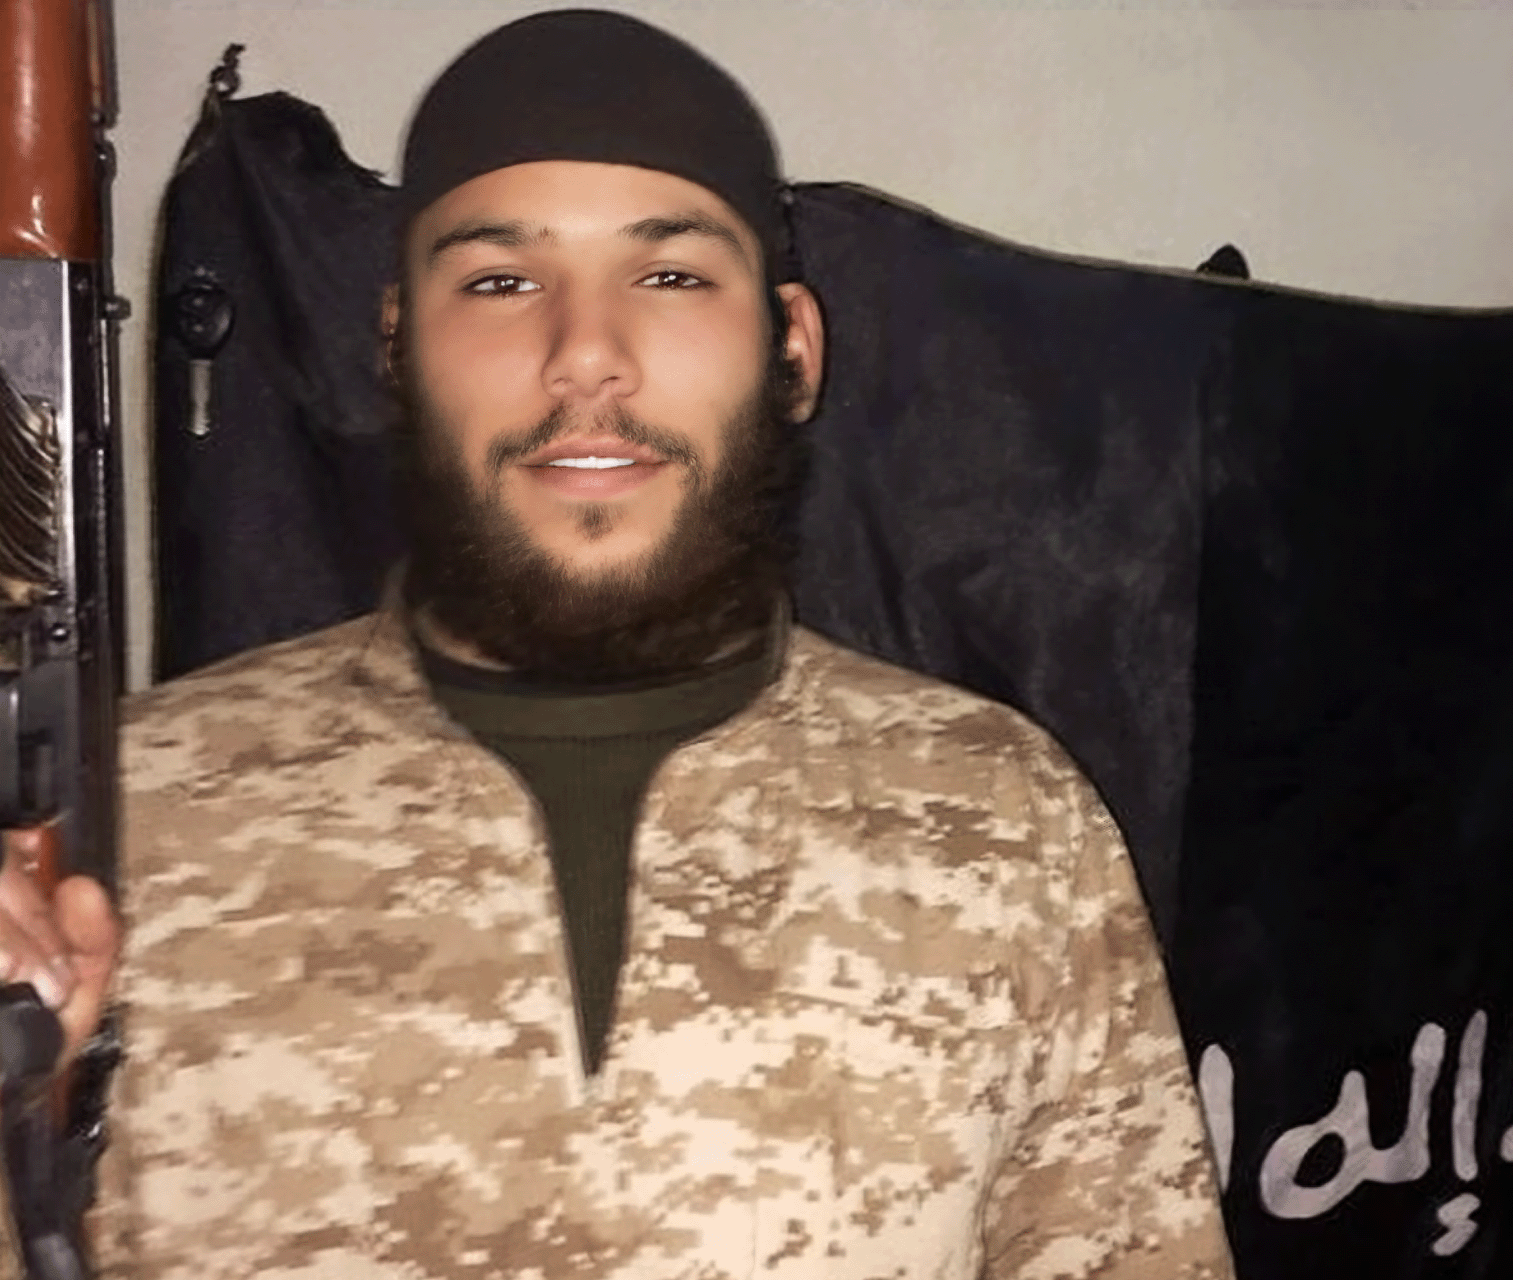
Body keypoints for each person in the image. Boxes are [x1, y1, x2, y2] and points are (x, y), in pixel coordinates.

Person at [0, 10, 1234, 1277]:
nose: (584, 354)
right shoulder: (121, 818)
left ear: (793, 349)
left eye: (671, 276)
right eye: (499, 280)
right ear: (395, 348)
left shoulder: (1010, 825)